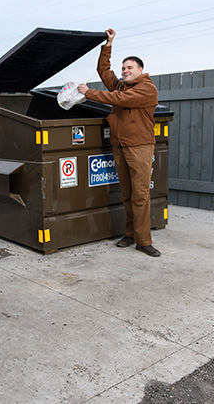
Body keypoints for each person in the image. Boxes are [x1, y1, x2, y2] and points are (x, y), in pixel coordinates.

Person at [77, 28, 161, 257]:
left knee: (140, 195)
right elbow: (104, 70)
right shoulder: (122, 85)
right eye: (123, 68)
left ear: (140, 70)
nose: (124, 71)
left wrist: (89, 93)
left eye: (129, 68)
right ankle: (131, 234)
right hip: (120, 146)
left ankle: (144, 241)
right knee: (127, 194)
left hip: (140, 147)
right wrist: (108, 45)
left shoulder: (147, 88)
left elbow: (119, 100)